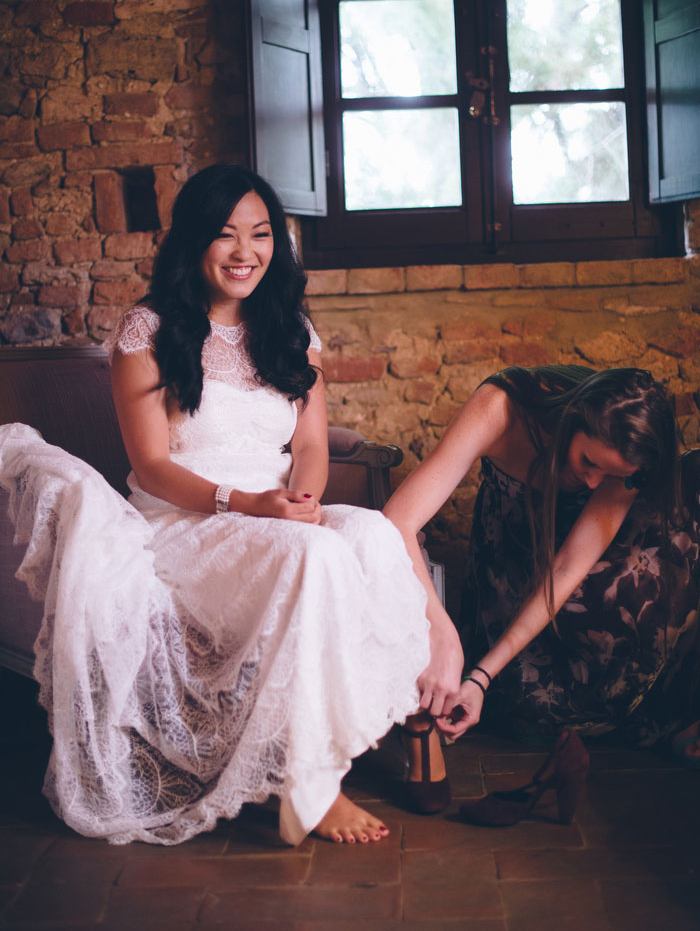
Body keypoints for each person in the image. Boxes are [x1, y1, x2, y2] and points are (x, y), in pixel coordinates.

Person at [0, 164, 461, 847]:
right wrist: (246, 502)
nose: (246, 252)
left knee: (368, 534)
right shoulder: (148, 330)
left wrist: (301, 495)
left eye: (262, 235)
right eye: (226, 235)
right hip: (188, 519)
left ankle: (396, 729)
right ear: (193, 242)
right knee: (314, 552)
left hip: (275, 506)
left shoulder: (290, 328)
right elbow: (151, 466)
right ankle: (310, 787)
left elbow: (309, 443)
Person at [384, 365, 700, 757]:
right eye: (588, 461)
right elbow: (397, 520)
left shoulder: (629, 454)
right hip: (517, 561)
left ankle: (668, 702)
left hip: (580, 577)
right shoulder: (501, 407)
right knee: (524, 693)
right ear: (573, 420)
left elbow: (569, 566)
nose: (591, 483)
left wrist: (481, 677)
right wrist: (445, 636)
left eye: (614, 475)